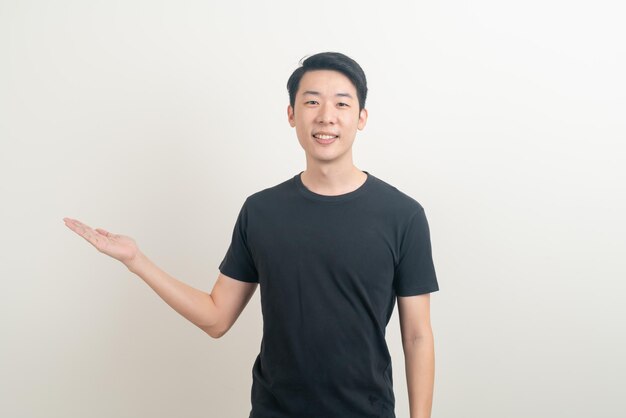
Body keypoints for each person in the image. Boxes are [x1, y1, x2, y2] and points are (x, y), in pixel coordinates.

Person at [63, 51, 439, 418]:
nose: (326, 117)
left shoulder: (402, 215)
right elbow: (216, 318)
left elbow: (417, 335)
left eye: (342, 104)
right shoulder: (261, 212)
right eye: (312, 102)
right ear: (291, 114)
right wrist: (137, 262)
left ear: (361, 117)